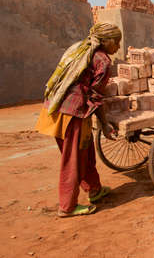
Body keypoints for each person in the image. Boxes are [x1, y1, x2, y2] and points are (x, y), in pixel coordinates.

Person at [35, 23, 122, 217]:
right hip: (72, 112)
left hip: (55, 105)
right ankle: (67, 206)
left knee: (86, 151)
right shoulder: (103, 60)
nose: (117, 47)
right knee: (72, 159)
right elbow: (96, 96)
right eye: (116, 42)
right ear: (106, 41)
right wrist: (105, 124)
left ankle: (94, 189)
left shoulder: (80, 48)